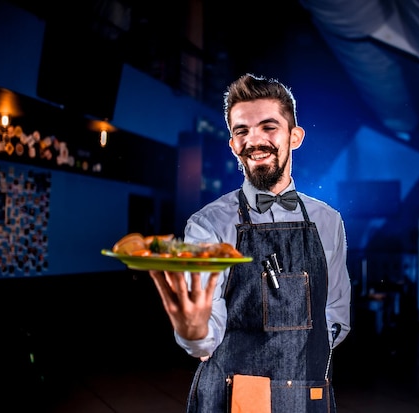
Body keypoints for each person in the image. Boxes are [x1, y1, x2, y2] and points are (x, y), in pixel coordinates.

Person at [149, 73, 352, 413]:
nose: (254, 140)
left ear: (295, 136)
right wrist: (194, 331)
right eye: (242, 130)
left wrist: (298, 362)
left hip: (307, 394)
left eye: (269, 127)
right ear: (232, 145)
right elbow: (204, 333)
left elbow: (336, 315)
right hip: (231, 399)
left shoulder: (328, 221)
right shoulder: (207, 225)